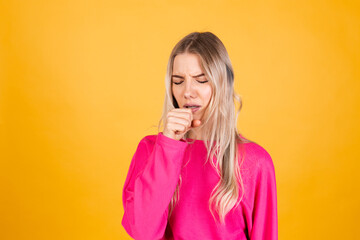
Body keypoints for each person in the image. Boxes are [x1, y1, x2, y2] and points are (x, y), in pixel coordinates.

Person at [121, 32, 278, 240]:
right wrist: (168, 145)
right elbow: (143, 233)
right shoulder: (150, 150)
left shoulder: (255, 161)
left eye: (201, 80)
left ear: (222, 84)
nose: (187, 92)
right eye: (178, 81)